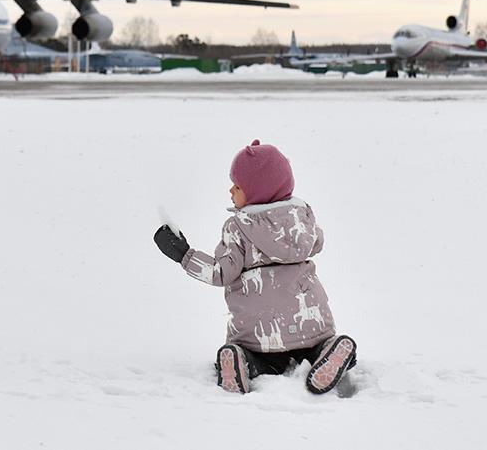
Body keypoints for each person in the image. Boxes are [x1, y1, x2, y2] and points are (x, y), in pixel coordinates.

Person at [153, 139, 357, 394]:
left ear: (256, 191)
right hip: (311, 325)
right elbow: (317, 242)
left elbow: (221, 272)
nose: (230, 191)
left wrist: (184, 255)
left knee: (259, 359)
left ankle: (241, 360)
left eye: (237, 186)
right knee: (314, 347)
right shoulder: (302, 218)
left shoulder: (237, 227)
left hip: (260, 334)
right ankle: (328, 350)